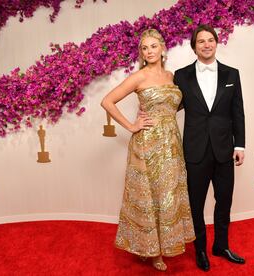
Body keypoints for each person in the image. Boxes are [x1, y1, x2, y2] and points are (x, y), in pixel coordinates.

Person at [100, 29, 195, 271]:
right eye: (145, 48)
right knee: (149, 195)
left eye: (153, 46)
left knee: (167, 194)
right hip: (147, 144)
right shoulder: (139, 77)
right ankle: (152, 250)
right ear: (141, 52)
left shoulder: (172, 76)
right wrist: (132, 126)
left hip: (171, 143)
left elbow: (172, 106)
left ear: (163, 48)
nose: (149, 51)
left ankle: (159, 246)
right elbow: (107, 101)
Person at [173, 24, 246, 271]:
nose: (206, 44)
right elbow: (171, 105)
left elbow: (238, 112)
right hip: (195, 150)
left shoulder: (232, 74)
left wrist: (241, 145)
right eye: (201, 41)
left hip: (225, 149)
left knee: (224, 199)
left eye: (210, 40)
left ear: (216, 43)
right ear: (194, 47)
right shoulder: (181, 75)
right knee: (196, 203)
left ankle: (221, 245)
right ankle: (201, 249)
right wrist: (148, 110)